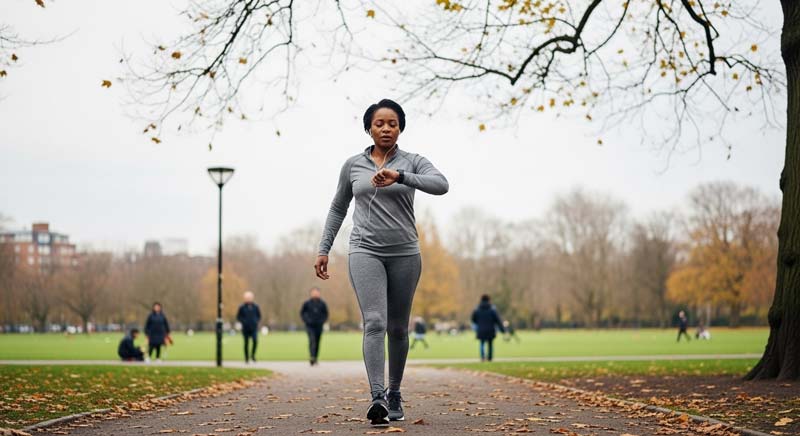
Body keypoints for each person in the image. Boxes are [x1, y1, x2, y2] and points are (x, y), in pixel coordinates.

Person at [314, 98, 449, 425]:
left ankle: (395, 392)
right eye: (379, 123)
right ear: (369, 128)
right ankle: (377, 398)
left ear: (400, 127)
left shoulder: (413, 162)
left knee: (398, 328)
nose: (386, 128)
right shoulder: (353, 166)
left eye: (392, 123)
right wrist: (324, 248)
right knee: (374, 321)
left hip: (404, 252)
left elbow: (441, 185)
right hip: (364, 250)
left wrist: (401, 176)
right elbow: (337, 208)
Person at [300, 287, 329, 366]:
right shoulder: (307, 303)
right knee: (312, 340)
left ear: (319, 293)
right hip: (310, 326)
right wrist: (307, 320)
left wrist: (322, 321)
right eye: (314, 292)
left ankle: (315, 357)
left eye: (317, 292)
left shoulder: (322, 303)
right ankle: (312, 357)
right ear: (311, 293)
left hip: (319, 326)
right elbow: (302, 313)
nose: (315, 294)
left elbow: (326, 314)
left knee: (317, 341)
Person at [471, 295, 505, 362]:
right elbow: (497, 320)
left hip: (481, 329)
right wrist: (502, 329)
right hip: (490, 329)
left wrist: (478, 323)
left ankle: (483, 357)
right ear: (489, 300)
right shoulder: (492, 309)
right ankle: (490, 358)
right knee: (490, 344)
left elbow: (473, 319)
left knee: (482, 343)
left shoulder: (477, 309)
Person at [237, 291, 262, 363]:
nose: (248, 299)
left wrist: (256, 321)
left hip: (253, 328)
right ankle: (246, 357)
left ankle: (253, 355)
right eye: (247, 297)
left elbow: (259, 316)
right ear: (244, 298)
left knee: (255, 341)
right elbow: (238, 317)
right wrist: (243, 322)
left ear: (252, 298)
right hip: (245, 328)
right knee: (246, 343)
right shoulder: (241, 307)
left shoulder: (256, 306)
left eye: (249, 297)